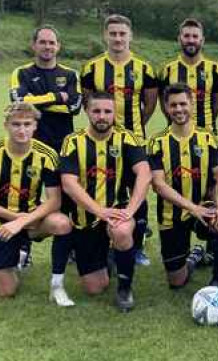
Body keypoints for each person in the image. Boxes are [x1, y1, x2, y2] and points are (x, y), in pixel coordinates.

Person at [0, 102, 73, 304]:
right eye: (16, 124)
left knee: (62, 223)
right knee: (7, 291)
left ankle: (57, 285)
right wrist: (15, 219)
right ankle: (17, 256)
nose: (22, 130)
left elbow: (55, 201)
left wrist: (23, 222)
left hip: (32, 220)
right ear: (6, 125)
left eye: (27, 124)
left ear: (35, 126)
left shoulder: (47, 155)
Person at [59, 92, 151, 312]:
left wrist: (129, 211)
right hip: (86, 216)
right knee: (94, 288)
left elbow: (145, 173)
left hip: (118, 210)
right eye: (97, 111)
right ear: (87, 111)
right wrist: (99, 211)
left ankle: (125, 288)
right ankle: (110, 256)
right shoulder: (73, 141)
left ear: (114, 113)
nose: (102, 116)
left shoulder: (127, 138)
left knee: (120, 231)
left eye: (107, 111)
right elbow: (68, 183)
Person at [80, 14, 159, 266]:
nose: (117, 38)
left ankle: (136, 247)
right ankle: (97, 242)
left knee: (139, 193)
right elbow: (88, 102)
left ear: (130, 36)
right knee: (100, 189)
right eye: (113, 33)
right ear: (105, 35)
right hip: (101, 143)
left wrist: (135, 129)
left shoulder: (144, 68)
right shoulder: (92, 68)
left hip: (134, 141)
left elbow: (150, 103)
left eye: (122, 33)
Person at [147, 84, 218, 291]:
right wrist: (192, 208)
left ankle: (216, 281)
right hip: (172, 215)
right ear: (166, 108)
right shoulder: (157, 142)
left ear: (192, 104)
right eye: (173, 105)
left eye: (183, 104)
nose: (179, 109)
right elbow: (158, 185)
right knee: (176, 282)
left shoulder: (208, 138)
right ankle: (193, 258)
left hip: (204, 206)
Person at [8, 26, 82, 150]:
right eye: (42, 42)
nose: (47, 46)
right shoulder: (21, 73)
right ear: (33, 45)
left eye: (51, 43)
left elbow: (74, 108)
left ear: (58, 46)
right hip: (30, 145)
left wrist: (34, 102)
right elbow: (19, 104)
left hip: (63, 146)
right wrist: (57, 97)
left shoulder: (71, 75)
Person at [159, 18, 218, 135]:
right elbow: (164, 103)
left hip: (207, 134)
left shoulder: (214, 69)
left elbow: (217, 102)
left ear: (202, 40)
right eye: (187, 36)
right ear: (179, 39)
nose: (191, 40)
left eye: (195, 36)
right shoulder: (167, 70)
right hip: (175, 134)